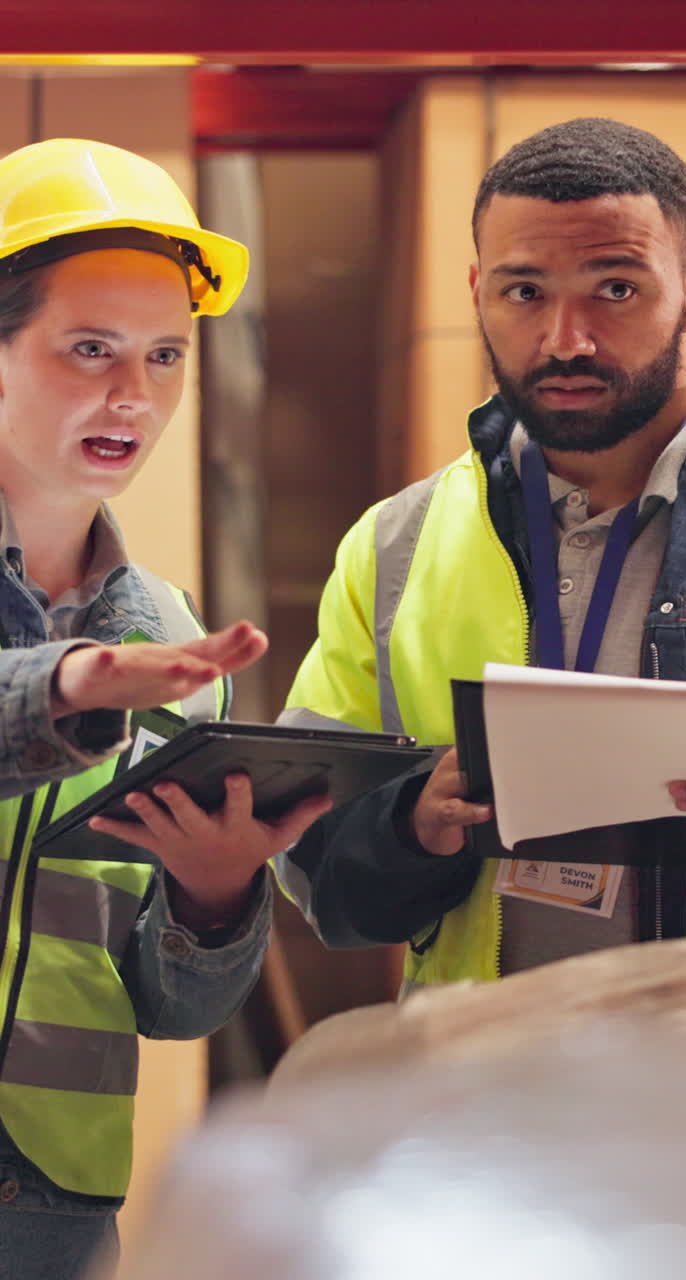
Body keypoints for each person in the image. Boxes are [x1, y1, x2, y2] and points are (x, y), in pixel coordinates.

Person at [274, 116, 686, 993]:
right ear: (477, 290)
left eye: (616, 289)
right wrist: (411, 828)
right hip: (471, 1099)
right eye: (523, 292)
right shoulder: (393, 544)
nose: (565, 339)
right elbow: (310, 865)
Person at [0, 137, 329, 1280]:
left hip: (53, 1193)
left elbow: (174, 1006)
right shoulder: (126, 664)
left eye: (165, 356)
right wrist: (62, 687)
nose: (131, 396)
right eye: (87, 348)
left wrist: (220, 892)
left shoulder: (168, 632)